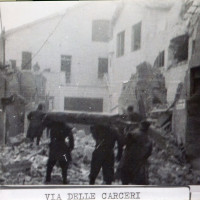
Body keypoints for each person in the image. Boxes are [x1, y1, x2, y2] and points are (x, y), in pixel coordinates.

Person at [119, 120, 152, 185]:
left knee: (125, 177)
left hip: (129, 158)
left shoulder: (133, 133)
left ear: (140, 126)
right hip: (139, 161)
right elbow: (149, 152)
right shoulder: (148, 138)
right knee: (138, 179)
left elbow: (124, 142)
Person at [44, 120, 74, 184]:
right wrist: (70, 147)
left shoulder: (53, 127)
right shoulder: (67, 128)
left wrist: (51, 145)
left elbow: (51, 138)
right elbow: (71, 139)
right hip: (63, 149)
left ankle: (47, 178)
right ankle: (64, 179)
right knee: (65, 163)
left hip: (54, 148)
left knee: (51, 163)